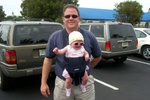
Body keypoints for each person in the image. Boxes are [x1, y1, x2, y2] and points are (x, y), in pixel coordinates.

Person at [40, 4, 102, 100]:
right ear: (63, 19)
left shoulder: (89, 36)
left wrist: (85, 68)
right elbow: (48, 59)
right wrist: (43, 83)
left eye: (74, 16)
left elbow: (98, 57)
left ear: (79, 18)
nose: (71, 18)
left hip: (85, 85)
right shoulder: (55, 37)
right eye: (67, 16)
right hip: (62, 85)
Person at [53, 31, 89, 96]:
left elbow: (86, 53)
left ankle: (83, 85)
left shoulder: (82, 48)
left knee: (85, 78)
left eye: (81, 43)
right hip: (70, 68)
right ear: (70, 43)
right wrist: (57, 51)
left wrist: (86, 56)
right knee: (68, 80)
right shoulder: (68, 48)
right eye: (76, 43)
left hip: (81, 67)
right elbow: (60, 52)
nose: (78, 45)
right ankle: (68, 90)